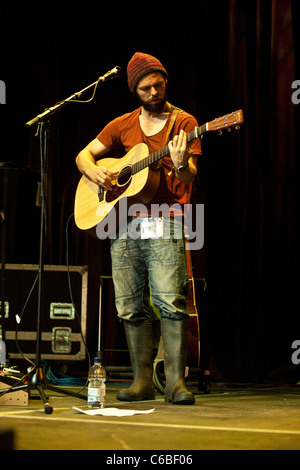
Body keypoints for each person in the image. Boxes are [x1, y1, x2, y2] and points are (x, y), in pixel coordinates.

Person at [76, 52, 202, 405]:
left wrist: (180, 165)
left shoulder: (184, 122)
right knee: (129, 304)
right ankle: (141, 382)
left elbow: (190, 176)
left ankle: (175, 383)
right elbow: (83, 154)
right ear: (135, 90)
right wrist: (95, 172)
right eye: (146, 87)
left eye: (159, 84)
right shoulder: (124, 124)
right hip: (122, 223)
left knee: (169, 300)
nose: (154, 91)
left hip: (166, 219)